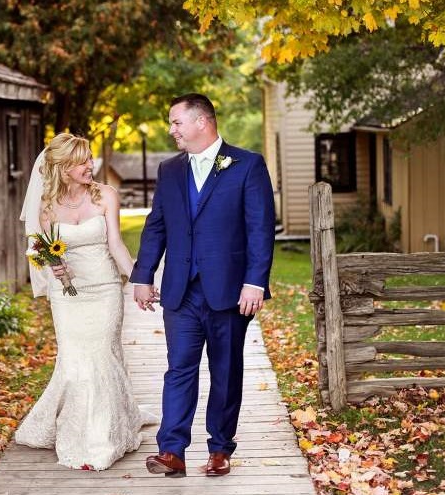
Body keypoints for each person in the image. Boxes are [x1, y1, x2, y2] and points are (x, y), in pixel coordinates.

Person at [131, 93, 275, 478]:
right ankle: (171, 450)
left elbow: (260, 230)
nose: (171, 129)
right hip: (180, 290)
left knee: (226, 370)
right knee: (179, 368)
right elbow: (156, 224)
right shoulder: (169, 170)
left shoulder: (247, 165)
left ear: (201, 122)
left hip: (230, 290)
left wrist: (254, 282)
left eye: (176, 122)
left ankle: (219, 449)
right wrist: (144, 275)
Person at [14, 132, 146, 471]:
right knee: (74, 365)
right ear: (62, 167)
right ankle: (76, 432)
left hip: (103, 289)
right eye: (82, 161)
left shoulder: (106, 196)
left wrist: (139, 278)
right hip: (67, 296)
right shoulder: (45, 205)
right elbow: (40, 249)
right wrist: (51, 264)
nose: (91, 165)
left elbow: (116, 244)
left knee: (101, 356)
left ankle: (103, 439)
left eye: (89, 159)